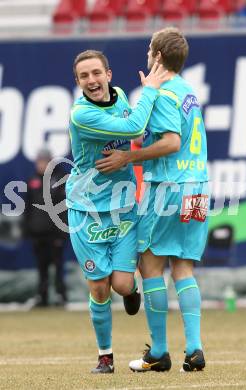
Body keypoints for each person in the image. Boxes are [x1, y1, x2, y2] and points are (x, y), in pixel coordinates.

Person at [96, 27, 209, 373]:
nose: (147, 52)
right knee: (184, 267)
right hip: (198, 186)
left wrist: (129, 158)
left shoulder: (162, 94)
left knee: (150, 266)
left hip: (168, 188)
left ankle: (159, 351)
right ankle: (194, 348)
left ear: (157, 56)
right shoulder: (188, 90)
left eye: (150, 48)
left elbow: (172, 142)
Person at [67, 50, 168, 374]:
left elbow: (135, 133)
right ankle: (105, 356)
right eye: (84, 76)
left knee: (122, 286)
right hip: (87, 210)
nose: (92, 81)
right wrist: (150, 88)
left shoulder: (121, 96)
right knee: (98, 287)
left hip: (123, 207)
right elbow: (133, 126)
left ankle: (132, 290)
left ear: (108, 75)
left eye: (96, 73)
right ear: (78, 82)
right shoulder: (81, 115)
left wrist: (127, 152)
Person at [24, 148, 68, 307]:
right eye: (39, 161)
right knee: (41, 267)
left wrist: (62, 233)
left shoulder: (60, 178)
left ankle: (60, 295)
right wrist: (27, 230)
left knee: (58, 265)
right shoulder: (32, 180)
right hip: (38, 232)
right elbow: (28, 207)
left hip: (55, 233)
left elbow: (64, 208)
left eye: (43, 161)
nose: (40, 164)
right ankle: (42, 296)